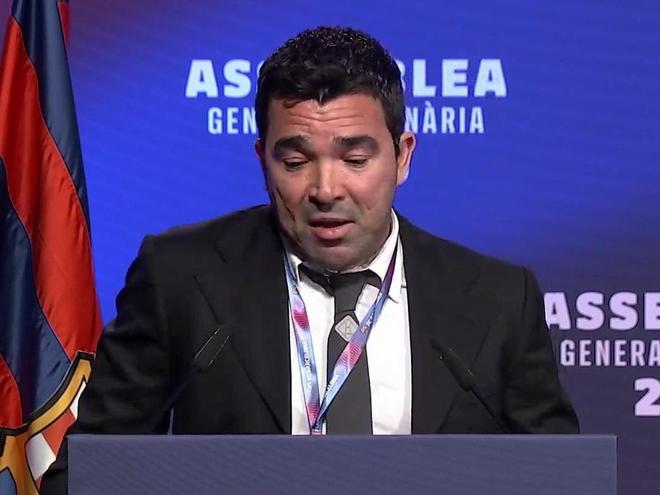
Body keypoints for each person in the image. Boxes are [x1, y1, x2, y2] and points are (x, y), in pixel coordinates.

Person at [41, 26, 578, 494]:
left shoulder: (496, 300)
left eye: (355, 159)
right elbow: (86, 476)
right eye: (296, 161)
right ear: (263, 160)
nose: (325, 189)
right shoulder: (181, 280)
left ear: (403, 156)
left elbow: (562, 481)